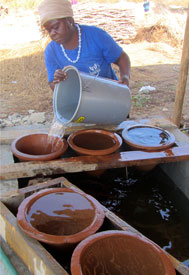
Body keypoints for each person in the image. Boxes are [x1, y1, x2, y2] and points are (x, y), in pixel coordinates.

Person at [38, 0, 131, 92]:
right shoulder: (51, 51)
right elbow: (53, 84)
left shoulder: (96, 36)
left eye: (56, 27)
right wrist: (59, 82)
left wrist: (125, 77)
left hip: (110, 94)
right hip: (81, 102)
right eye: (48, 30)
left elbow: (121, 58)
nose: (52, 33)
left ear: (69, 21)